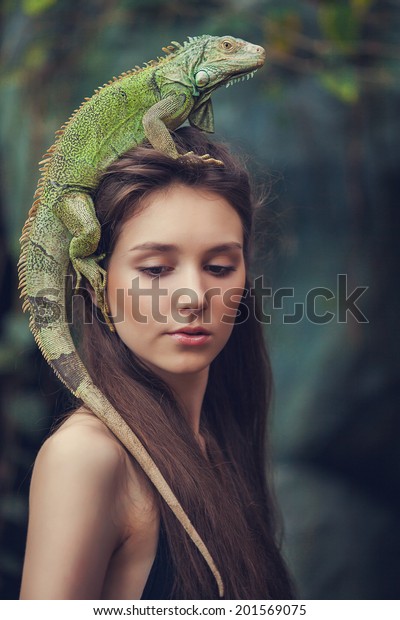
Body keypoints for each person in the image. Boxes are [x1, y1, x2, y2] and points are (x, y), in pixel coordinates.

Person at [19, 127, 294, 600]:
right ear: (95, 283)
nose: (192, 297)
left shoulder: (214, 438)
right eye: (155, 269)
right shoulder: (87, 458)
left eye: (220, 267)